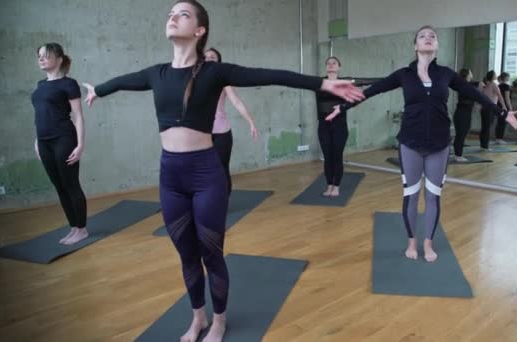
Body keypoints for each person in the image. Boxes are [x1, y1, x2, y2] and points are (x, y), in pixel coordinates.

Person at [82, 1, 364, 341]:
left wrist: (321, 83)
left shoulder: (214, 72)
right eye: (170, 13)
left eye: (183, 14)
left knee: (210, 252)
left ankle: (219, 320)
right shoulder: (155, 73)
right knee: (186, 254)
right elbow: (122, 82)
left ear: (200, 31)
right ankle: (197, 317)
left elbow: (270, 75)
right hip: (170, 176)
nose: (173, 17)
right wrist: (97, 90)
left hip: (205, 174)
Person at [326, 26, 517, 263]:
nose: (428, 38)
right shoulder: (403, 74)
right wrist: (343, 106)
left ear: (436, 46)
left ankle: (427, 243)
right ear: (415, 46)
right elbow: (371, 91)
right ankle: (411, 242)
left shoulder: (446, 74)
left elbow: (475, 94)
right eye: (422, 36)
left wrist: (503, 114)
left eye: (433, 36)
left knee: (433, 196)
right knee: (411, 194)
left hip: (439, 143)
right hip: (410, 142)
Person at [32, 43, 88, 245]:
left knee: (71, 184)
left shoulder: (68, 84)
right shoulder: (40, 85)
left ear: (59, 59)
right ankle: (73, 227)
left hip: (64, 139)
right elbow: (39, 116)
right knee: (59, 187)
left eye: (45, 55)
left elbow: (78, 117)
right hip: (44, 142)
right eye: (39, 56)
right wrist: (37, 141)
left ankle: (82, 229)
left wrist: (80, 145)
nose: (41, 59)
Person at [316, 56, 379, 197]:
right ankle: (329, 185)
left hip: (339, 126)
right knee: (328, 157)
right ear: (326, 67)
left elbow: (366, 81)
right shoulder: (319, 83)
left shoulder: (345, 82)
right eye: (328, 63)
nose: (331, 65)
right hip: (323, 126)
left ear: (339, 67)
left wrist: (391, 81)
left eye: (334, 63)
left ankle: (336, 186)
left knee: (337, 156)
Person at [204, 47, 258, 195]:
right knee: (202, 170)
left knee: (221, 168)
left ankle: (223, 201)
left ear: (218, 62)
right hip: (201, 134)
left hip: (221, 133)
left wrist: (251, 122)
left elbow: (237, 102)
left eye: (212, 57)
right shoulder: (194, 80)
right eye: (206, 57)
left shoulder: (223, 81)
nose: (209, 59)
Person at [452, 68, 478, 162]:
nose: (472, 73)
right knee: (461, 135)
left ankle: (457, 154)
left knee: (461, 134)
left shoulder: (466, 85)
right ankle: (458, 155)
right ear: (467, 75)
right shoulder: (465, 85)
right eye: (470, 72)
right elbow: (479, 84)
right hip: (462, 114)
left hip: (463, 113)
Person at [478, 70, 507, 151]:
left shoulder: (484, 84)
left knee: (484, 127)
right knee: (487, 127)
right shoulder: (493, 84)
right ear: (492, 76)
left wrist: (479, 106)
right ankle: (485, 146)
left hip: (483, 108)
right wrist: (504, 106)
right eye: (495, 74)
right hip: (490, 108)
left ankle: (483, 145)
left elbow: (479, 96)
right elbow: (500, 96)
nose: (496, 75)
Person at [496, 72, 513, 144]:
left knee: (499, 122)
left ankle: (498, 138)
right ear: (505, 77)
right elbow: (507, 98)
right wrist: (510, 106)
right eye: (508, 77)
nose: (509, 78)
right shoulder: (506, 86)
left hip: (498, 105)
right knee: (503, 122)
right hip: (504, 106)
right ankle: (500, 139)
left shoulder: (498, 85)